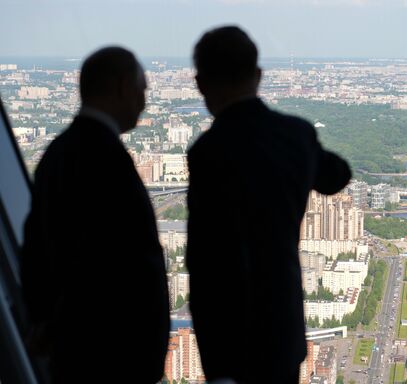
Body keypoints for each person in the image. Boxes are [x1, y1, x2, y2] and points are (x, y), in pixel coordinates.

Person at [186, 26, 351, 384]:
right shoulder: (295, 134)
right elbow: (337, 175)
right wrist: (303, 152)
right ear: (258, 76)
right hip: (280, 324)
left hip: (227, 333)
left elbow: (202, 256)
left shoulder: (207, 152)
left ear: (201, 84)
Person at [21, 47, 170, 384]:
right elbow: (128, 265)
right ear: (121, 87)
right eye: (142, 89)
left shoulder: (58, 153)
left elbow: (35, 250)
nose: (144, 101)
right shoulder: (106, 159)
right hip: (112, 354)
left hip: (76, 353)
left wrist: (44, 323)